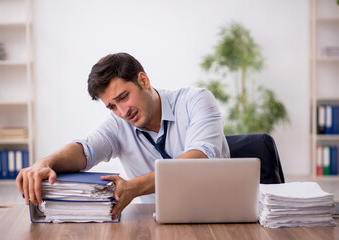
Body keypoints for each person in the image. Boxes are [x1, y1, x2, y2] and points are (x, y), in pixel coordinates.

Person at [16, 52, 230, 220]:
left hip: (219, 217)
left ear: (143, 80)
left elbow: (201, 159)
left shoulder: (195, 101)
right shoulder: (118, 125)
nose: (123, 112)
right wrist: (44, 163)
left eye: (124, 97)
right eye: (112, 106)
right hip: (157, 222)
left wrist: (134, 187)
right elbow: (85, 150)